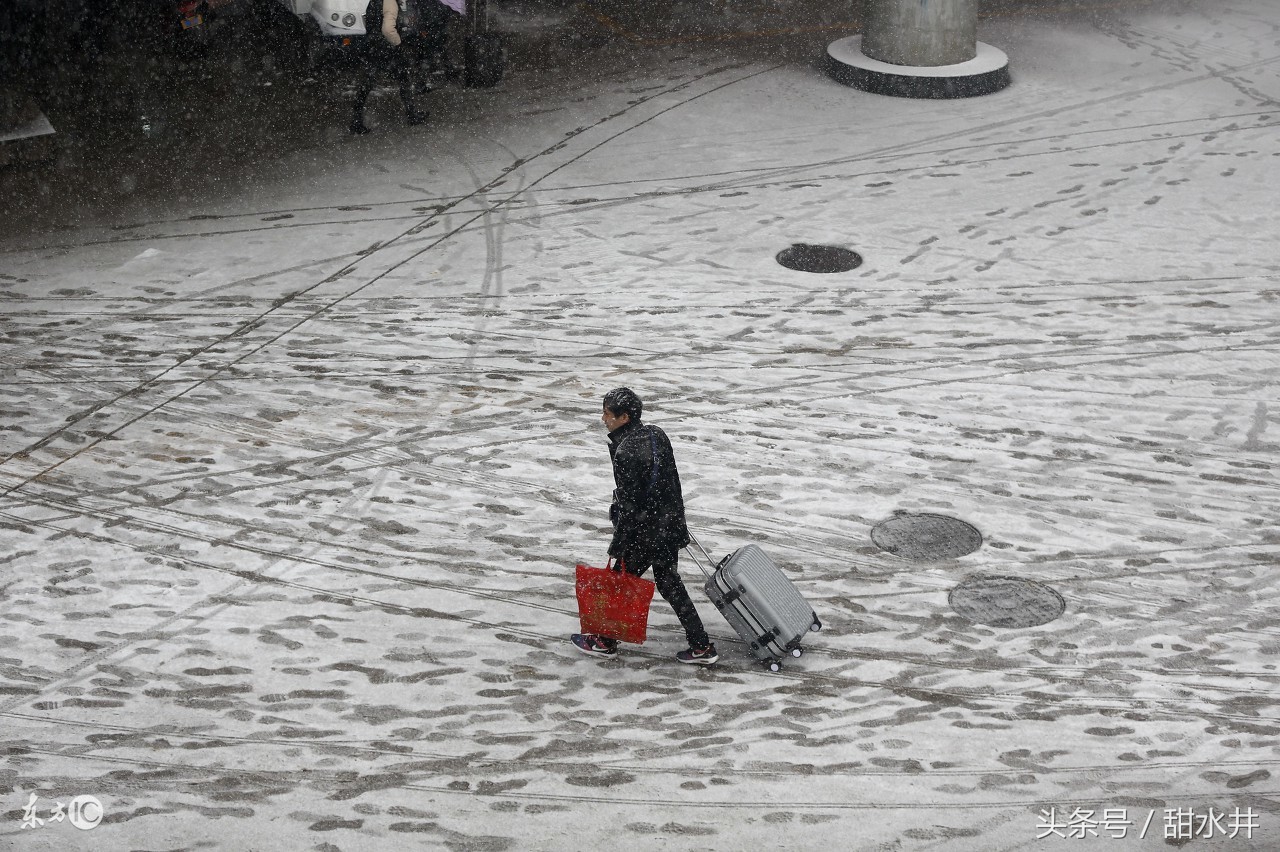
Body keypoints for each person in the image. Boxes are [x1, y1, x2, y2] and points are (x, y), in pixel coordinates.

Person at [572, 388, 719, 665]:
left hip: (646, 532)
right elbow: (671, 483)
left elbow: (630, 505)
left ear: (624, 417)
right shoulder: (656, 433)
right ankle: (701, 646)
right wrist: (676, 523)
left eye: (607, 414)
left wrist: (618, 544)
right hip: (668, 524)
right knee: (669, 582)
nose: (603, 418)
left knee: (620, 581)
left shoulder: (626, 452)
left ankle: (604, 641)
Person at [350, 0, 427, 135]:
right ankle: (411, 114)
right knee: (403, 79)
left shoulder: (374, 2)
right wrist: (398, 43)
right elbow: (387, 29)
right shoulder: (390, 2)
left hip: (374, 46)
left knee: (367, 84)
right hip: (386, 48)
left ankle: (356, 120)